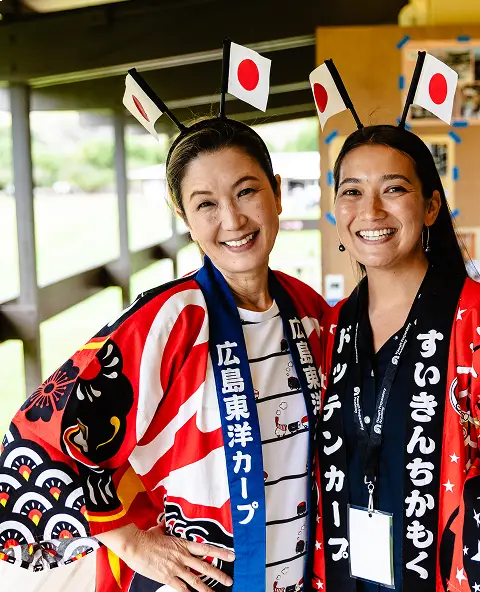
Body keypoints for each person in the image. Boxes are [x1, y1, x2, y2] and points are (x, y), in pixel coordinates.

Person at [0, 117, 327, 592]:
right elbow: (39, 437)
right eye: (206, 204)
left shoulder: (308, 308)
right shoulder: (170, 319)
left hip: (297, 572)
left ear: (276, 192)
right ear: (184, 218)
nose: (232, 220)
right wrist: (133, 543)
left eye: (247, 192)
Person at [312, 124, 480, 592]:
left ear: (430, 206)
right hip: (347, 572)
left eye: (393, 189)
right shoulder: (331, 327)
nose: (370, 210)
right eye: (352, 191)